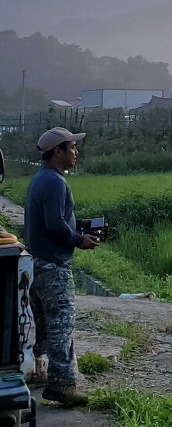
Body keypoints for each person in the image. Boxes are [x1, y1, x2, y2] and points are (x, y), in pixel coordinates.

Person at [23, 127, 99, 407]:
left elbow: (53, 220)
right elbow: (55, 223)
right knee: (62, 324)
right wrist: (79, 240)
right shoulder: (55, 182)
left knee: (41, 324)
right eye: (72, 147)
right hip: (53, 265)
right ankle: (62, 385)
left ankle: (31, 368)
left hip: (37, 261)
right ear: (58, 151)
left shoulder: (42, 178)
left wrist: (78, 227)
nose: (76, 152)